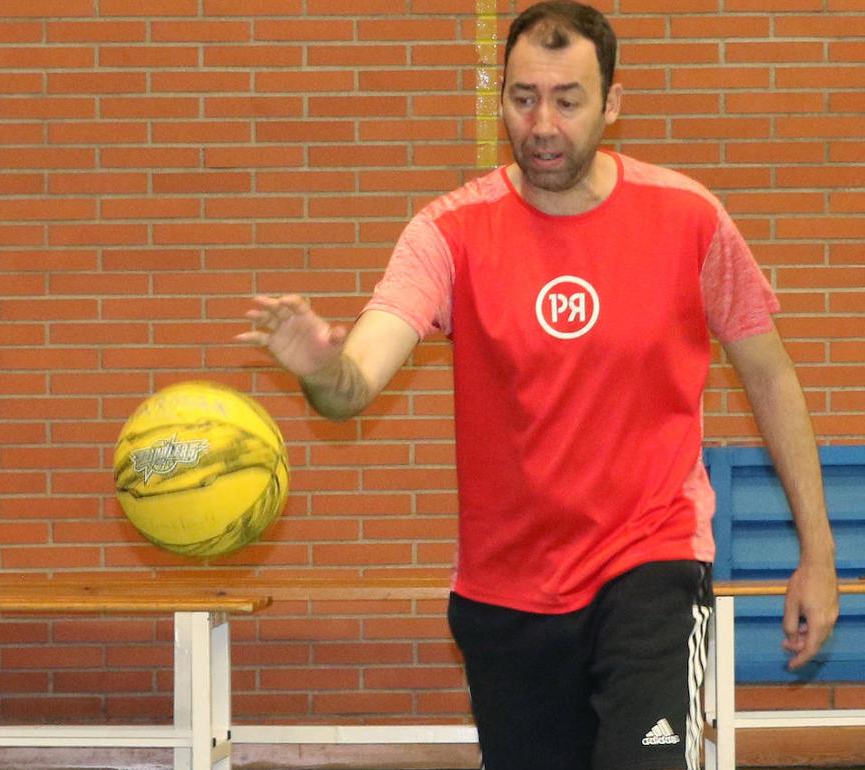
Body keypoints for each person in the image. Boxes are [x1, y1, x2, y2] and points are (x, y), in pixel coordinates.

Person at [238, 3, 840, 769]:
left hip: (649, 562)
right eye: (524, 99)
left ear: (611, 104)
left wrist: (817, 555)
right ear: (501, 102)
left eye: (567, 98)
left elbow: (771, 375)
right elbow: (352, 385)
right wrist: (321, 364)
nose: (543, 124)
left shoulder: (689, 219)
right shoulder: (449, 233)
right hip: (506, 593)